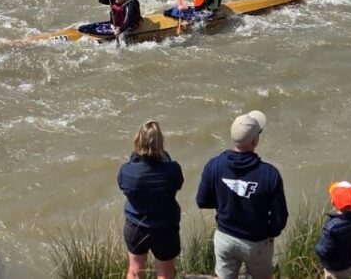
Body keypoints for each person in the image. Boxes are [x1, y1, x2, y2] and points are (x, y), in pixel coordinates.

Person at [196, 110, 287, 279]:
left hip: (224, 238)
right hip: (257, 242)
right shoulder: (270, 174)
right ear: (255, 140)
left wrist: (225, 203)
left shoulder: (214, 165)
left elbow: (202, 200)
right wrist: (270, 234)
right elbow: (280, 216)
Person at [118, 120, 185, 279]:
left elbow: (122, 185)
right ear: (160, 142)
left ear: (138, 140)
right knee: (165, 274)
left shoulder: (127, 171)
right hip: (165, 228)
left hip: (136, 226)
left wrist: (135, 158)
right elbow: (178, 184)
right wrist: (165, 158)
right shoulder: (172, 169)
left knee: (135, 271)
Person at [315, 181, 351, 279]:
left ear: (332, 202)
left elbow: (324, 250)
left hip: (333, 267)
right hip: (348, 263)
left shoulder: (331, 226)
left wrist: (317, 247)